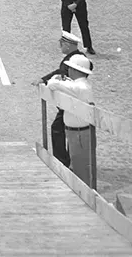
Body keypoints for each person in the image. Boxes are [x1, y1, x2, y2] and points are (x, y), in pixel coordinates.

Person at [37, 32, 92, 167]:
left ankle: (62, 161)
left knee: (59, 128)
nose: (60, 47)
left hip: (72, 103)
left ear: (67, 45)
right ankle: (66, 160)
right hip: (72, 102)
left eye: (61, 44)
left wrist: (46, 79)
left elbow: (59, 75)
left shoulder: (76, 59)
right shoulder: (77, 58)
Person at [43, 54, 94, 185]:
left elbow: (52, 84)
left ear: (76, 70)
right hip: (77, 132)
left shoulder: (78, 87)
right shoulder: (81, 86)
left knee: (80, 172)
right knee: (77, 167)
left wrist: (56, 79)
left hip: (79, 134)